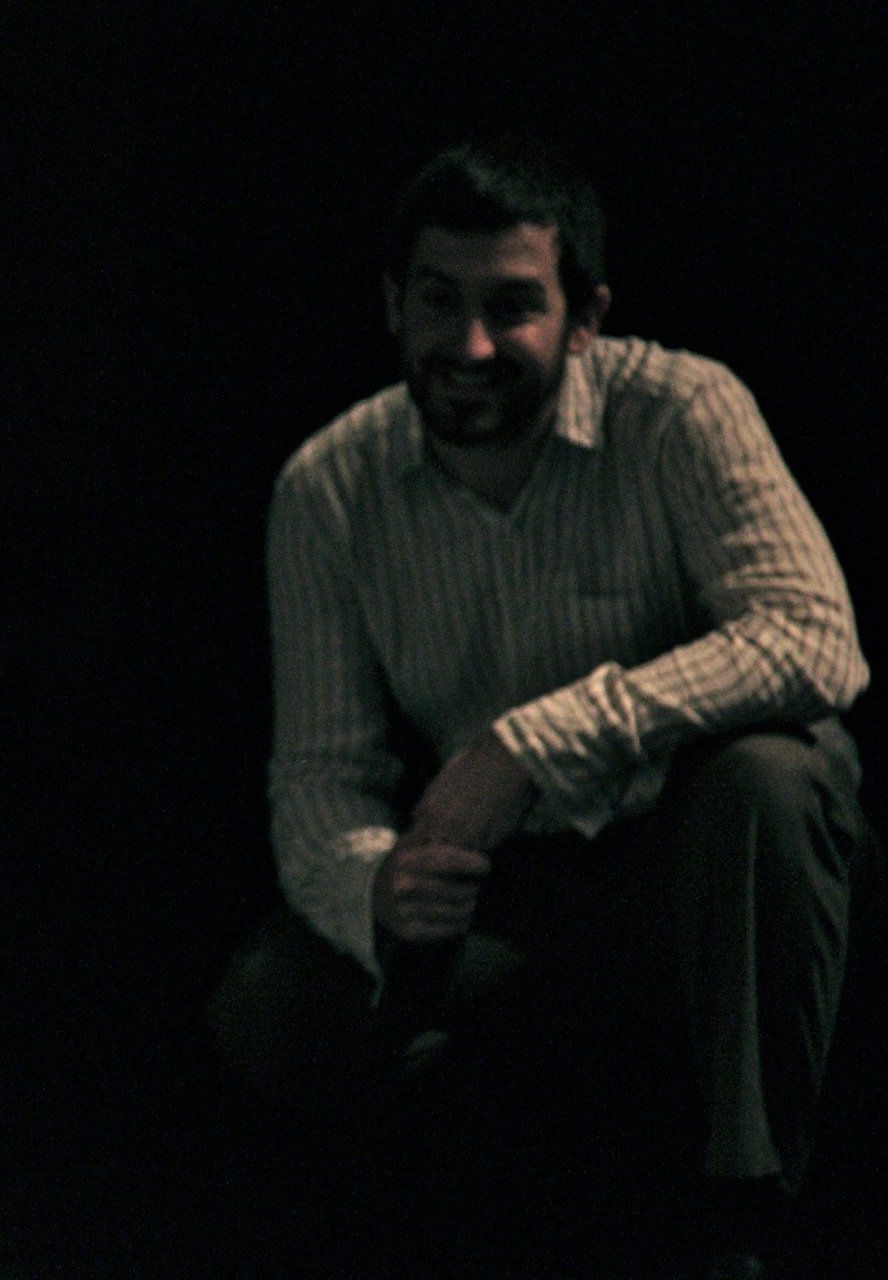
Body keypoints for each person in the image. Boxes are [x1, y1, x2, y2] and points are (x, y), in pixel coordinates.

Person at [210, 137, 871, 1277]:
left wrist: (531, 743)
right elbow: (321, 775)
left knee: (775, 774)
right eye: (439, 301)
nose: (469, 344)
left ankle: (746, 1215)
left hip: (696, 870)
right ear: (393, 304)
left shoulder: (680, 410)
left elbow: (813, 635)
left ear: (585, 318)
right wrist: (380, 888)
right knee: (270, 1006)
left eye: (513, 307)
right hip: (517, 887)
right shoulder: (328, 487)